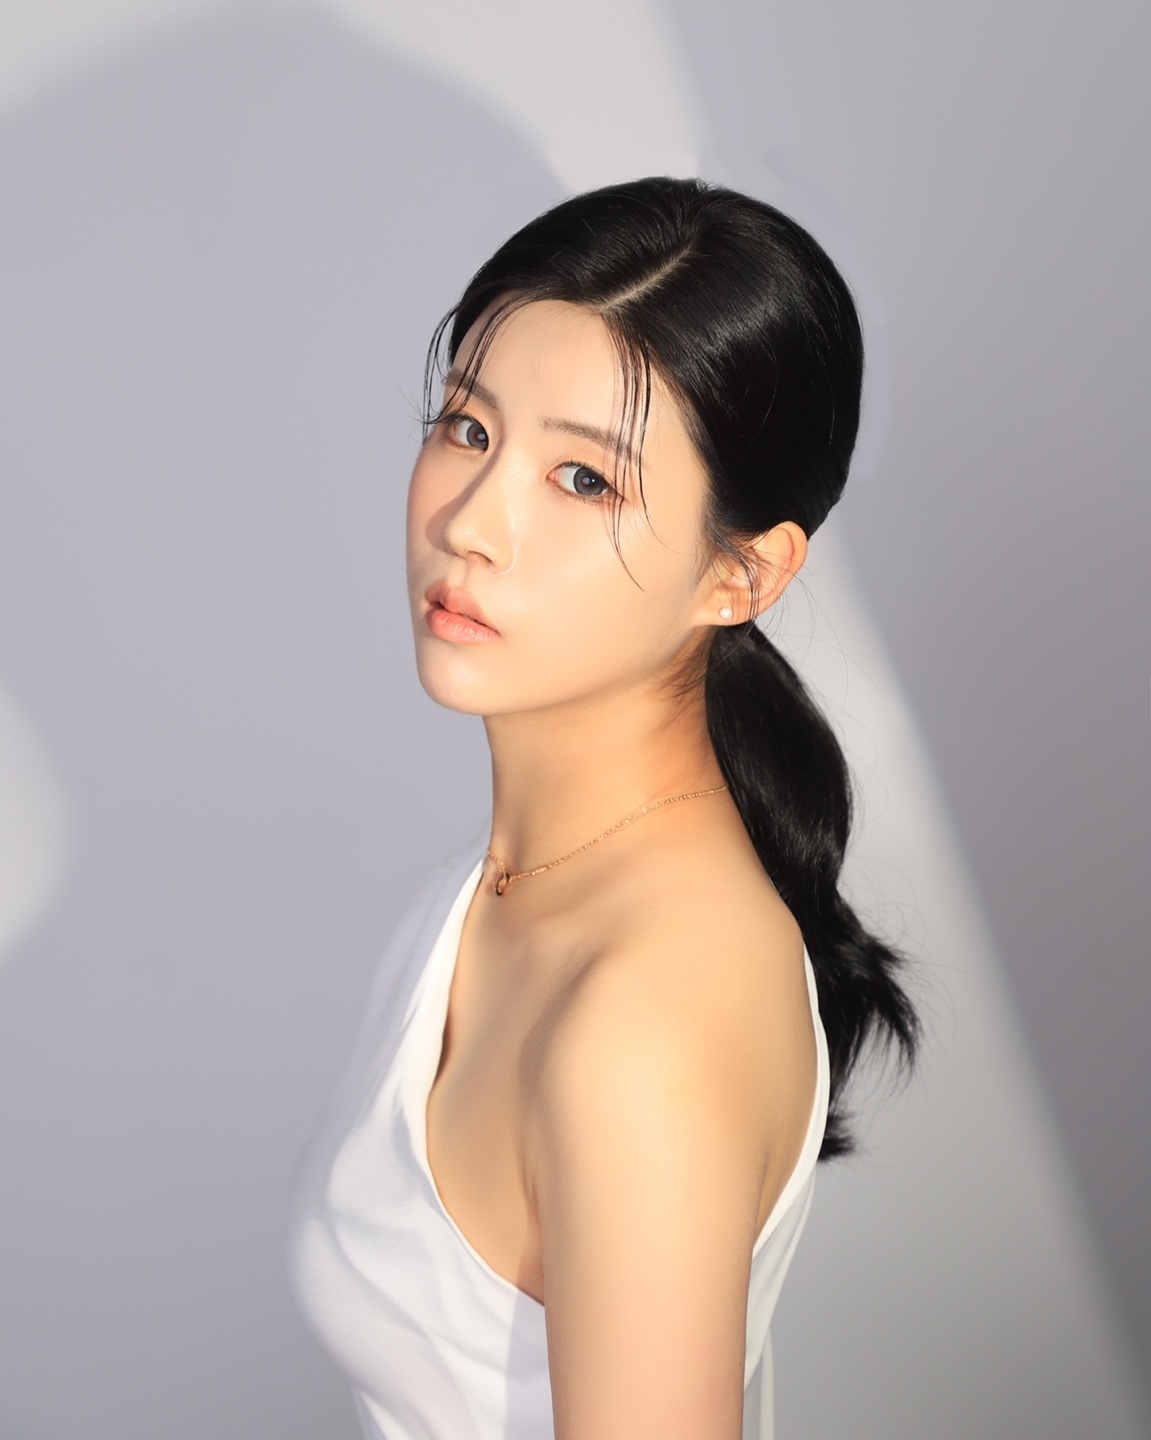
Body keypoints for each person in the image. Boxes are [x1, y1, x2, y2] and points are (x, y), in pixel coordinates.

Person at [288, 176, 918, 1440]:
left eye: (582, 478)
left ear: (739, 574)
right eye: (466, 427)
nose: (471, 523)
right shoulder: (497, 891)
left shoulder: (639, 1021)